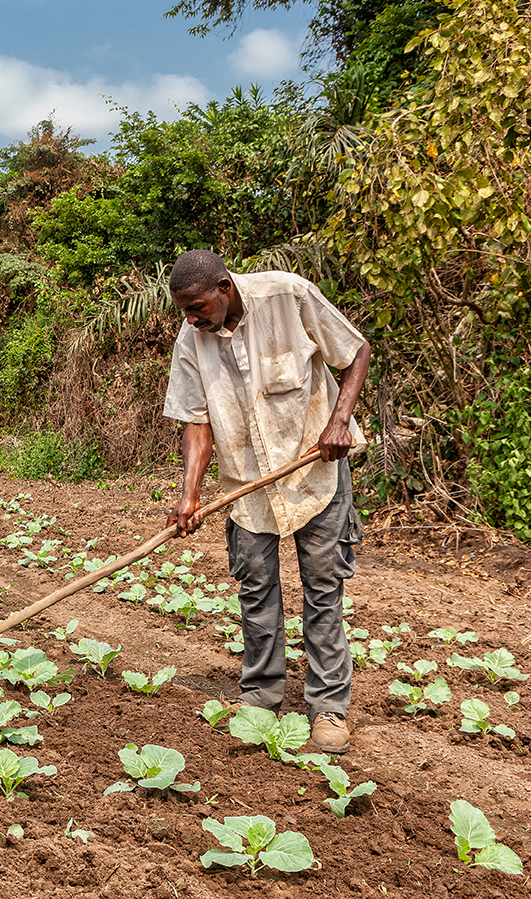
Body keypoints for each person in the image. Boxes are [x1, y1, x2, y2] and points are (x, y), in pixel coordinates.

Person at [162, 250, 369, 754]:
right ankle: (261, 695)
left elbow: (354, 351)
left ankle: (329, 708)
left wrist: (339, 421)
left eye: (197, 306)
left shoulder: (288, 295)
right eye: (184, 310)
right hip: (245, 487)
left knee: (323, 592)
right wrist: (188, 495)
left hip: (313, 474)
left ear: (224, 288)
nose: (191, 318)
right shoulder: (192, 339)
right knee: (256, 592)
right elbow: (196, 419)